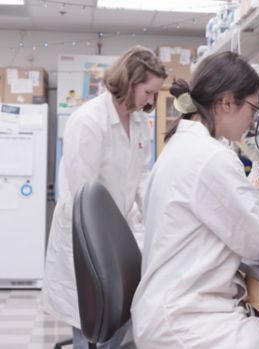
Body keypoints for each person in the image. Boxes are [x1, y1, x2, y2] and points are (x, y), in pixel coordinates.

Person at [131, 51, 259, 349]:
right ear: (226, 102)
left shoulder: (182, 147)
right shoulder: (211, 157)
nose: (253, 121)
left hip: (170, 311)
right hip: (185, 323)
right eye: (253, 109)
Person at [43, 46, 167, 349]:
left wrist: (157, 216)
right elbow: (84, 195)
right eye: (148, 92)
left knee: (118, 314)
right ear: (130, 81)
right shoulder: (88, 121)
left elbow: (141, 178)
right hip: (86, 235)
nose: (151, 101)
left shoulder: (139, 122)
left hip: (118, 234)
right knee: (89, 320)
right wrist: (112, 237)